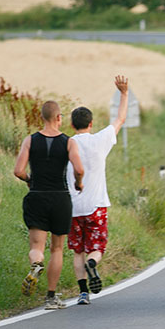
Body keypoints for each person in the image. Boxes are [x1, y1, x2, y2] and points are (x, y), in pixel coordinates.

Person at [65, 75, 130, 305]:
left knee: (77, 251)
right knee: (96, 247)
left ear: (72, 125)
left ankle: (83, 293)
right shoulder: (100, 140)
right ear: (91, 124)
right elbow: (120, 118)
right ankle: (93, 263)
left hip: (73, 208)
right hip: (97, 205)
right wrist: (123, 93)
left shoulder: (67, 144)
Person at [13, 100, 84, 310]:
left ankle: (36, 264)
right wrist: (78, 183)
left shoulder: (30, 140)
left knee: (37, 247)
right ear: (59, 118)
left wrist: (29, 180)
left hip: (37, 196)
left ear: (42, 118)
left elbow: (18, 170)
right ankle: (51, 297)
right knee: (57, 248)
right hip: (60, 198)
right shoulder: (69, 142)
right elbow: (79, 169)